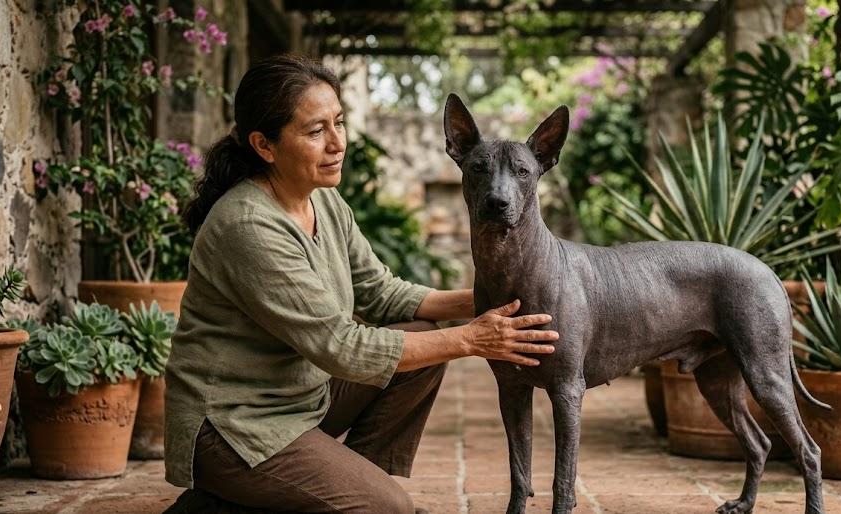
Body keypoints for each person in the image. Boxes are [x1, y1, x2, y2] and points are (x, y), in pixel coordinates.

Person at [163, 54, 559, 514]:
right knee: (387, 507)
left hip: (302, 401)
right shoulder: (248, 225)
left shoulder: (324, 201)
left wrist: (499, 297)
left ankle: (315, 490)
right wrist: (472, 339)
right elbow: (341, 347)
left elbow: (380, 292)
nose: (337, 144)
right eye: (315, 131)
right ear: (264, 145)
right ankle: (297, 492)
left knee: (424, 343)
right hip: (235, 428)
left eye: (339, 122)